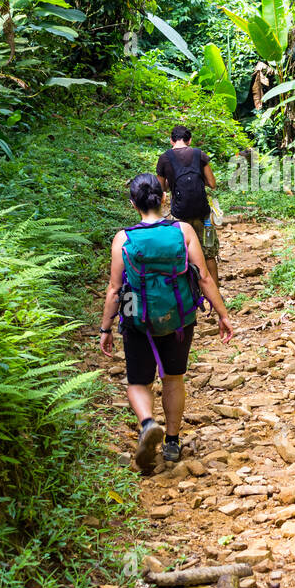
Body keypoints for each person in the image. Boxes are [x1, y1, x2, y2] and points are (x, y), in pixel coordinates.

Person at [99, 173, 233, 470]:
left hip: (137, 316)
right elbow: (205, 277)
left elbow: (113, 289)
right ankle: (172, 442)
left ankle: (147, 423)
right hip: (179, 315)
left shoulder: (124, 238)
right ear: (163, 198)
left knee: (138, 381)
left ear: (133, 203)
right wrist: (222, 314)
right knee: (173, 378)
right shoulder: (183, 230)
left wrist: (105, 327)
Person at [156, 125, 221, 285]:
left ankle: (187, 290)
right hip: (203, 212)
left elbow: (160, 188)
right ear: (189, 140)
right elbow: (212, 184)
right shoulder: (199, 154)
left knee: (181, 251)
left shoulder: (164, 158)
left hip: (179, 215)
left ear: (171, 140)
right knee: (209, 252)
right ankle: (215, 290)